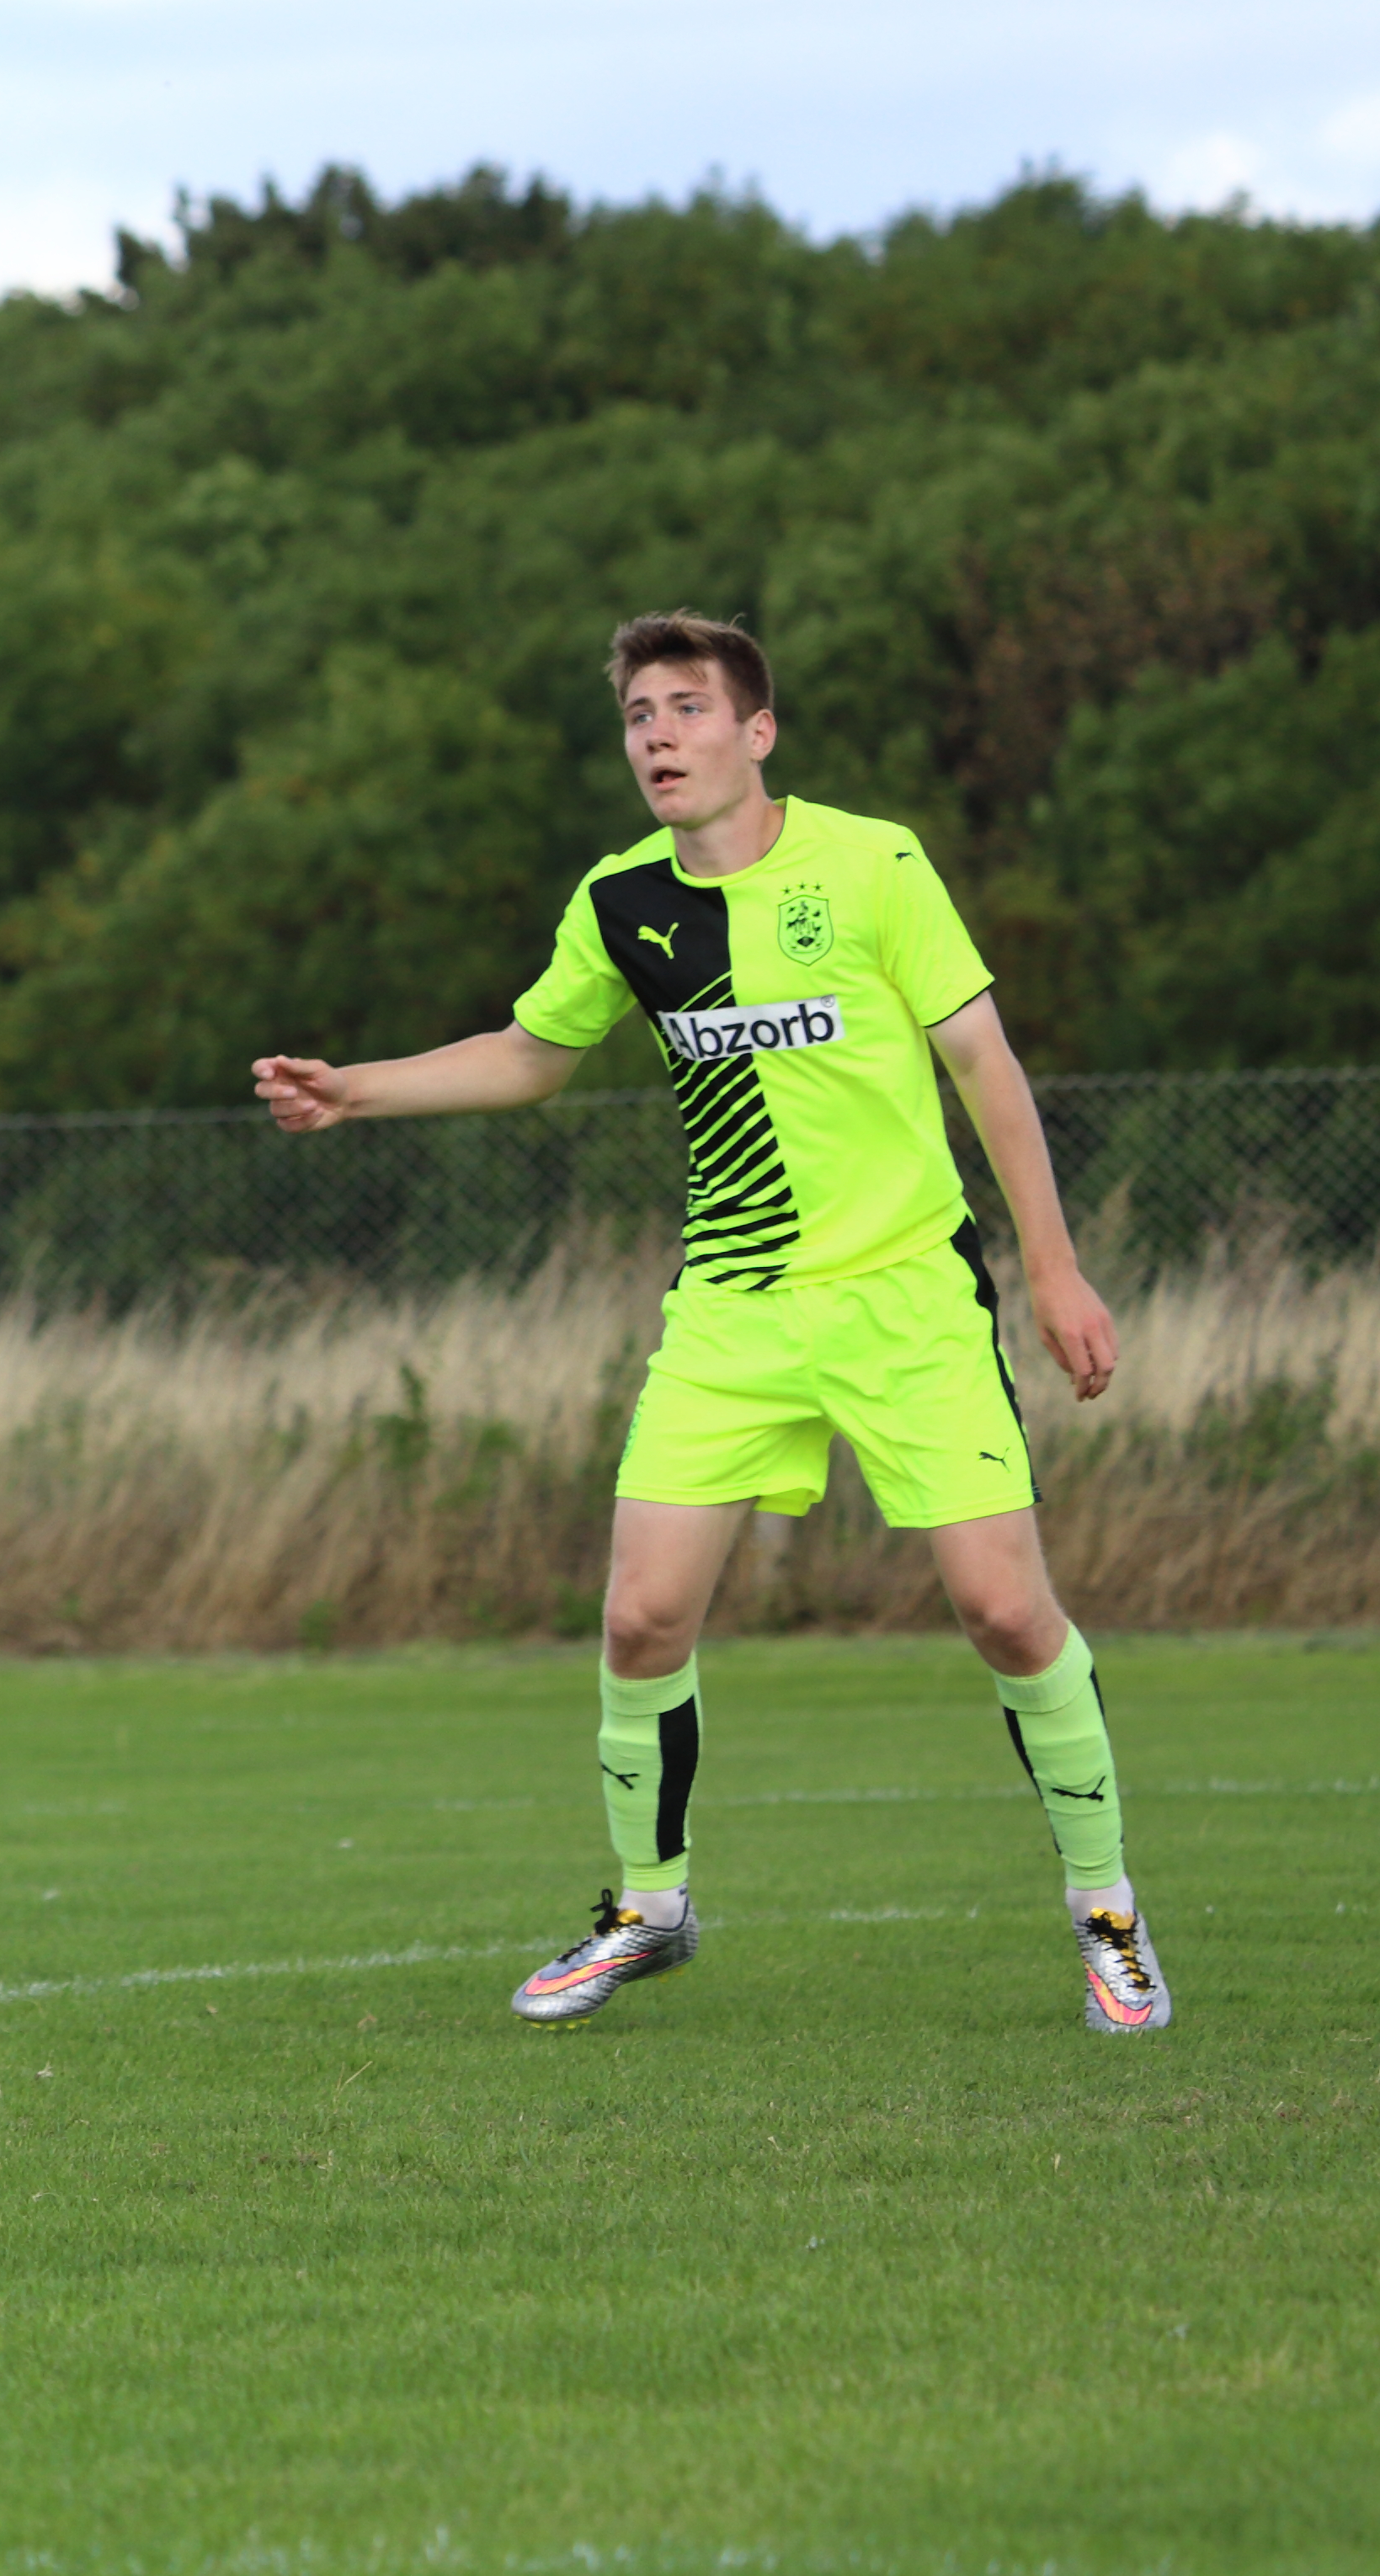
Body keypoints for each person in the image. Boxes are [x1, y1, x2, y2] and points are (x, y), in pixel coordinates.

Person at [251, 613, 1160, 2035]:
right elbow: (533, 1053)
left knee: (1002, 1610)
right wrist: (353, 1088)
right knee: (640, 1614)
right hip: (733, 1312)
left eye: (686, 708)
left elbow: (982, 1062)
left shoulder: (874, 861)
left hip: (907, 1301)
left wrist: (1053, 1269)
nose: (658, 736)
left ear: (758, 732)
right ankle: (648, 1909)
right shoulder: (623, 903)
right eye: (637, 716)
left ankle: (1108, 1913)